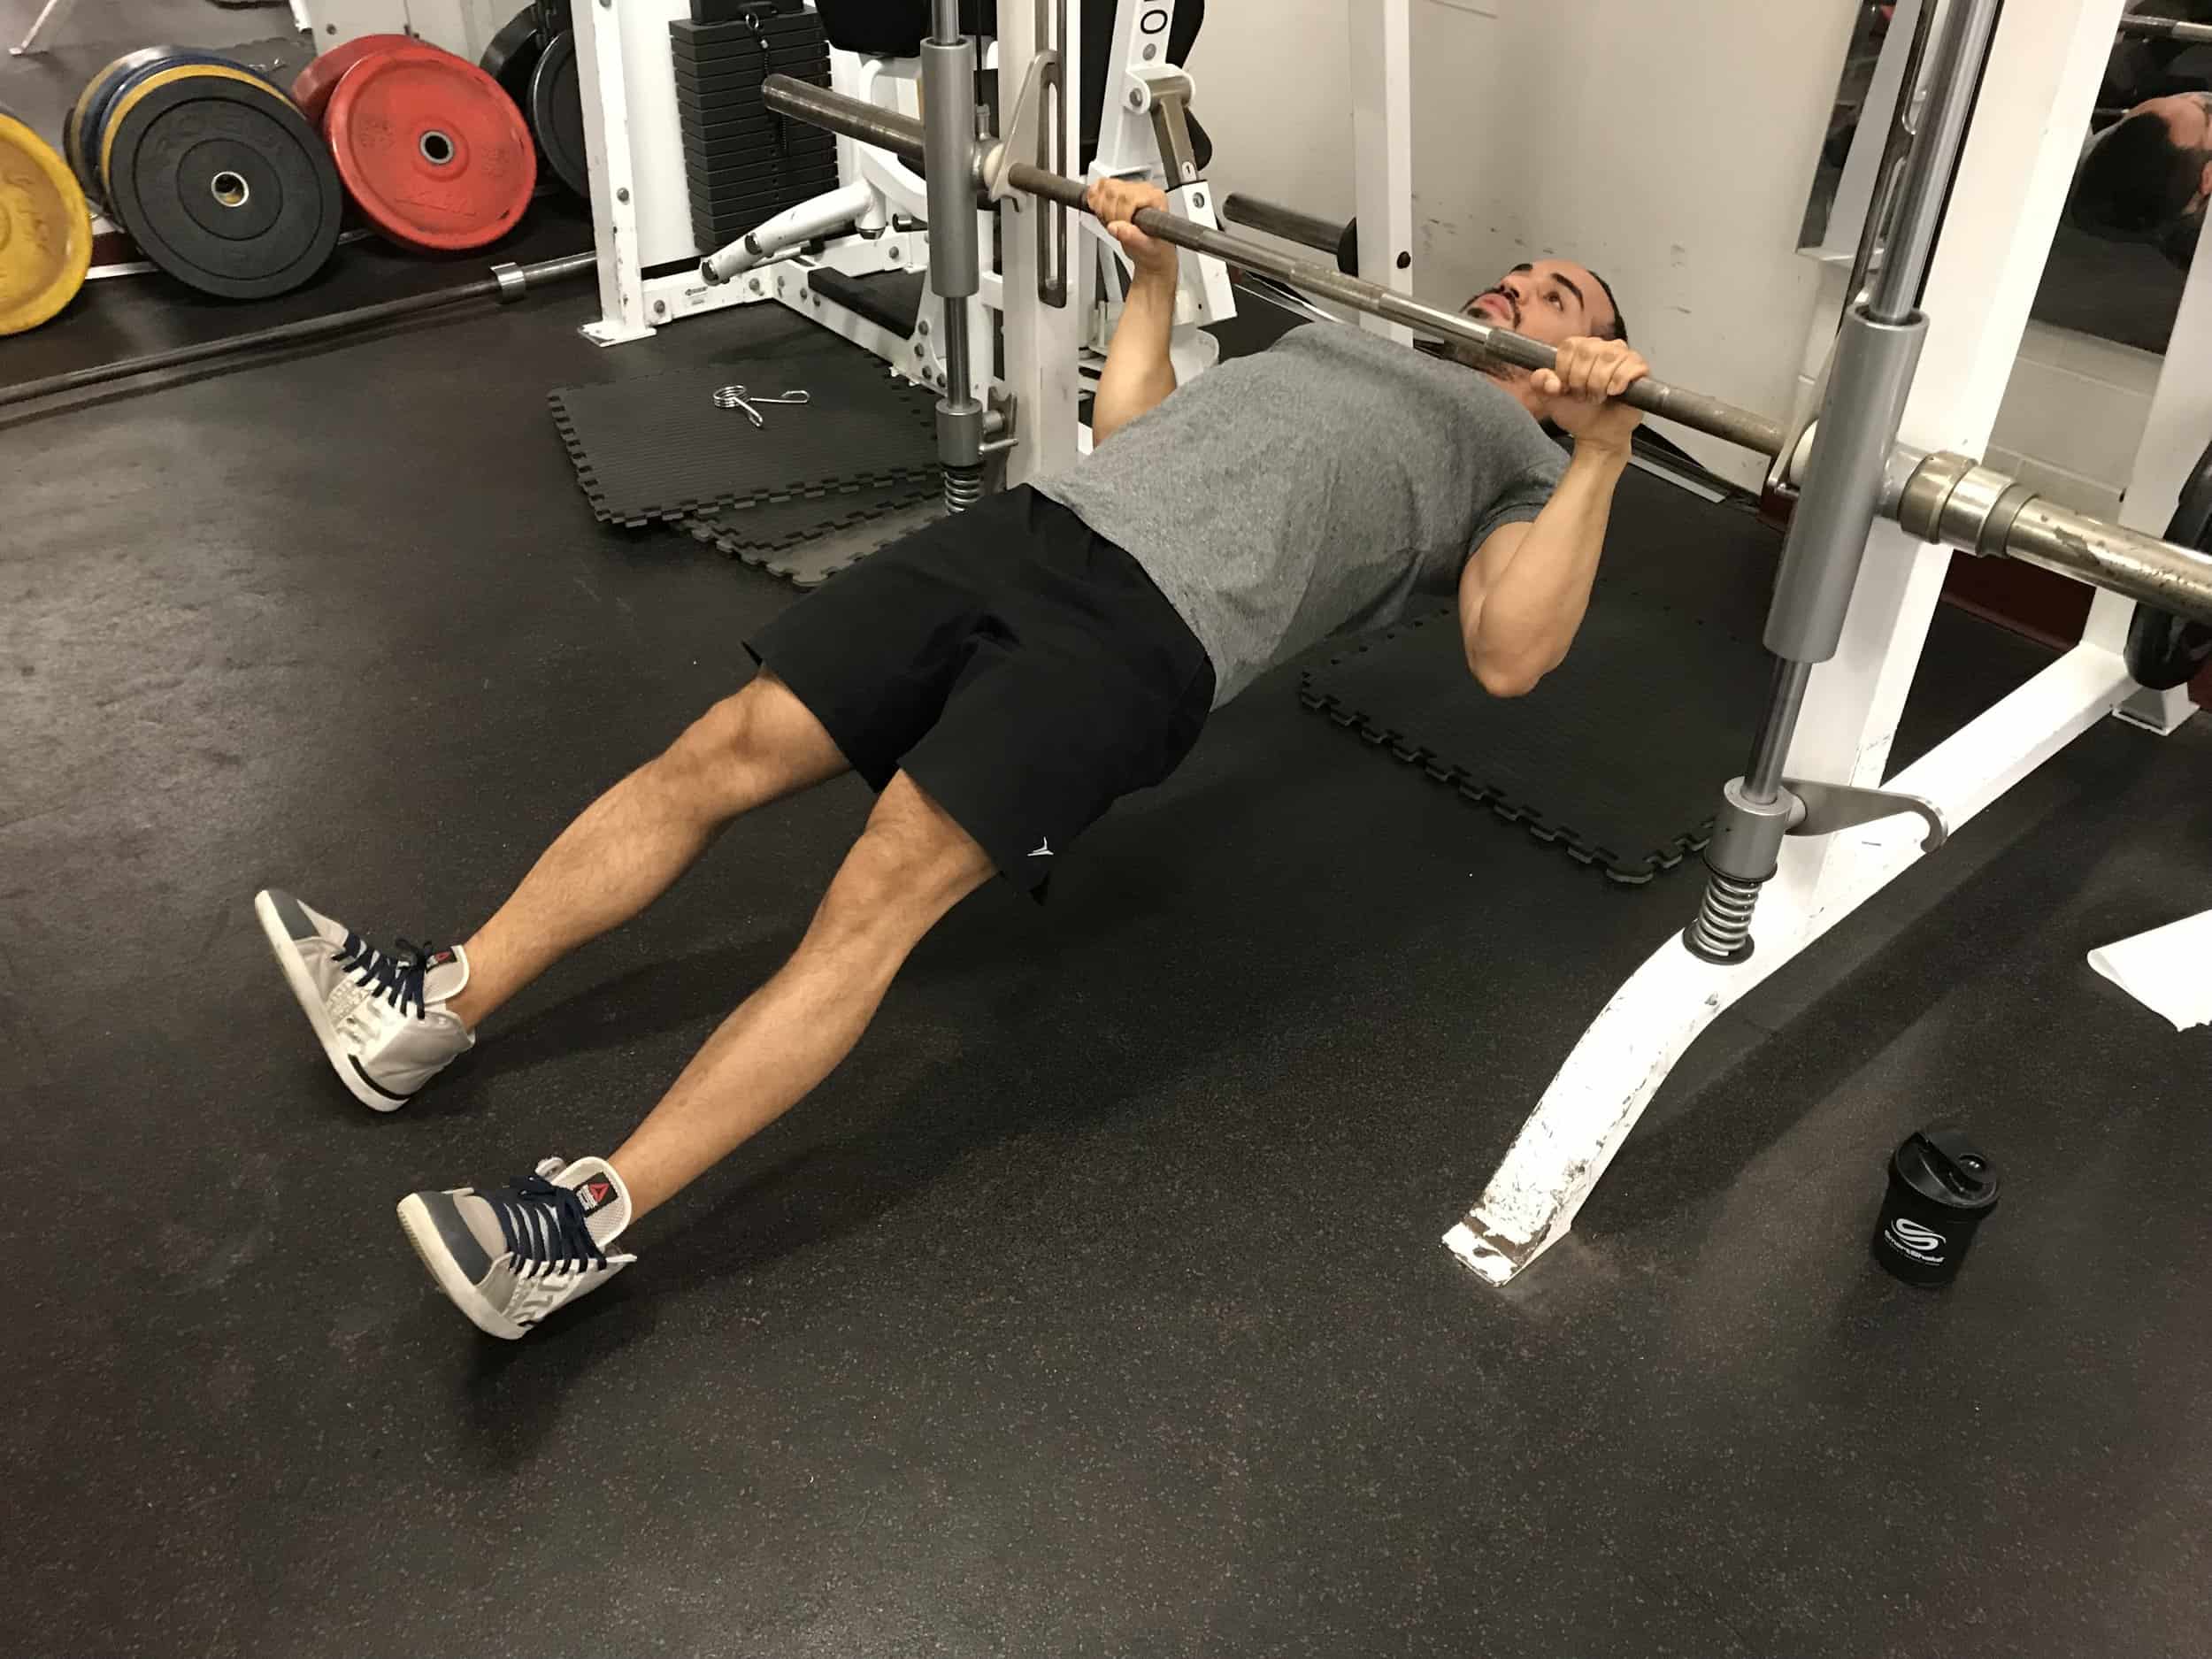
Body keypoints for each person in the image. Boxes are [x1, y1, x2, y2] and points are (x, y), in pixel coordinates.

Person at [255, 178, 1651, 1340]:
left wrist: (1608, 444)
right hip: (1034, 530)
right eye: (1519, 272)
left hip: (1150, 641)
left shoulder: (1516, 461)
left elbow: (1511, 653)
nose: (1517, 289)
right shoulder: (1354, 342)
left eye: (1560, 298)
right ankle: (431, 997)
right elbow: (1136, 436)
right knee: (723, 746)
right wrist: (1153, 285)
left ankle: (578, 1220)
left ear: (1577, 369)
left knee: (876, 894)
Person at [2068, 4, 2212, 265]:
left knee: (2117, 77)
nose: (2197, 98)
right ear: (2208, 177)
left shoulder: (2076, 160)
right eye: (2207, 113)